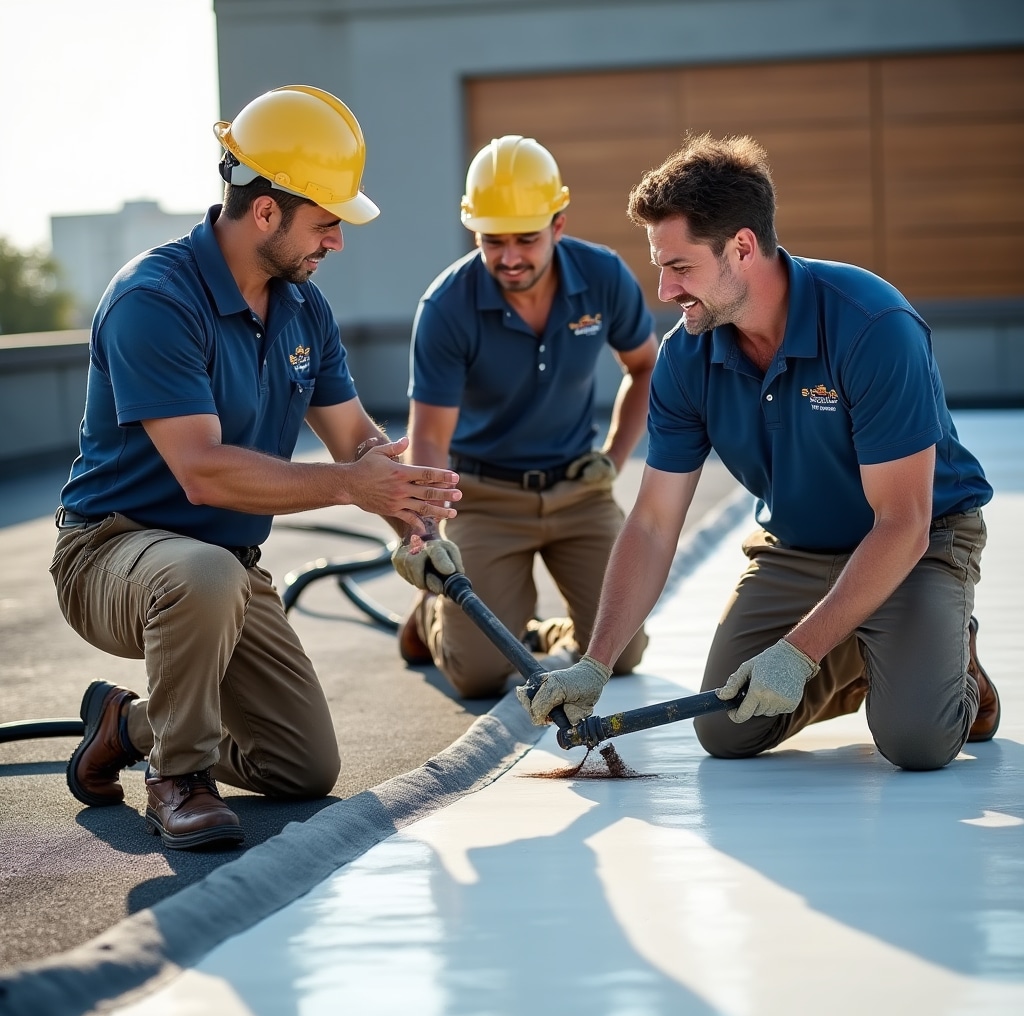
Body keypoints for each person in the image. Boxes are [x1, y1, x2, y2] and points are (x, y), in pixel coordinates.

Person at [51, 85, 461, 851]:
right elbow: (201, 473)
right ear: (266, 210)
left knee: (301, 765)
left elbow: (352, 437)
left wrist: (405, 496)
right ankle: (177, 779)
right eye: (326, 222)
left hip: (226, 571)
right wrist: (348, 487)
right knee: (200, 572)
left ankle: (126, 725)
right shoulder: (155, 298)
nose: (337, 242)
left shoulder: (302, 306)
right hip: (111, 551)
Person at [518, 132, 1000, 771]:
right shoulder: (687, 355)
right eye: (660, 265)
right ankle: (871, 652)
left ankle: (952, 662)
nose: (663, 290)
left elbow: (903, 524)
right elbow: (656, 523)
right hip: (799, 547)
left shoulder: (872, 327)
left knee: (917, 743)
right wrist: (597, 662)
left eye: (679, 266)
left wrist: (798, 654)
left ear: (742, 247)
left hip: (918, 542)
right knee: (727, 732)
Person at [392, 135, 659, 698]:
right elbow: (430, 438)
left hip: (578, 491)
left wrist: (610, 459)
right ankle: (428, 618)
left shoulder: (603, 276)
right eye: (493, 241)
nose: (510, 257)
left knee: (623, 654)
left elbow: (645, 367)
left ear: (558, 225)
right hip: (484, 499)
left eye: (526, 239)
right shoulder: (447, 307)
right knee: (480, 676)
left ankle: (533, 629)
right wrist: (428, 534)